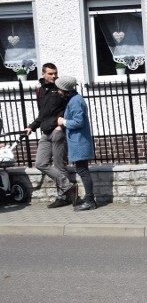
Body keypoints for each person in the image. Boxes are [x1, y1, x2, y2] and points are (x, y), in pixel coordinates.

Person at [24, 62, 76, 208]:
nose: (54, 76)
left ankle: (62, 197)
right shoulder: (40, 90)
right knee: (40, 163)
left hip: (58, 131)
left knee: (60, 166)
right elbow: (42, 114)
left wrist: (61, 125)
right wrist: (31, 126)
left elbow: (69, 109)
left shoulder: (61, 88)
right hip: (45, 131)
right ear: (43, 74)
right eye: (50, 73)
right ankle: (69, 186)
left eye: (55, 73)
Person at [55, 76, 97, 211]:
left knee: (83, 171)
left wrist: (63, 122)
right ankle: (89, 199)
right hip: (78, 141)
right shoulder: (74, 99)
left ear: (64, 89)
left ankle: (90, 201)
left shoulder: (75, 101)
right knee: (82, 170)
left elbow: (79, 122)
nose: (58, 91)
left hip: (79, 142)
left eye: (59, 88)